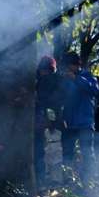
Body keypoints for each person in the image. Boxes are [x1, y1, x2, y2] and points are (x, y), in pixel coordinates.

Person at [61, 51, 99, 185]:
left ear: (76, 65)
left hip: (85, 123)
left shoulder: (88, 76)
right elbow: (62, 99)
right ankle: (68, 182)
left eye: (70, 65)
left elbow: (94, 91)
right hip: (69, 123)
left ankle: (88, 182)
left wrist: (76, 79)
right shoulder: (65, 79)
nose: (68, 69)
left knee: (87, 153)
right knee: (67, 153)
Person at [34, 55, 62, 187]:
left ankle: (45, 181)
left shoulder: (49, 80)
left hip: (47, 121)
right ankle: (47, 180)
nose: (42, 72)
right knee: (47, 151)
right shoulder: (45, 80)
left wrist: (49, 120)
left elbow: (50, 102)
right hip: (47, 121)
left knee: (48, 151)